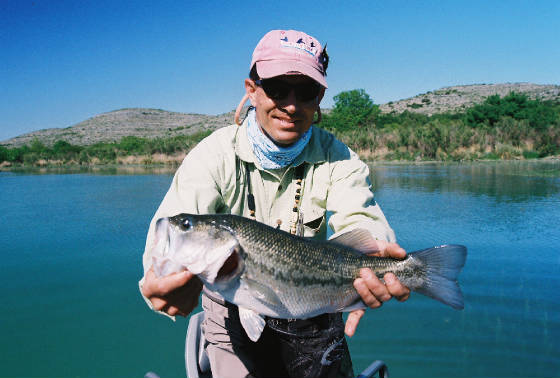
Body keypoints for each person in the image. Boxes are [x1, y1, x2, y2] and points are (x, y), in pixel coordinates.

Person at [139, 29, 410, 378]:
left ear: (320, 97)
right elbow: (161, 256)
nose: (292, 105)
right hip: (230, 312)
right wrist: (161, 284)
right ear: (252, 90)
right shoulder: (212, 156)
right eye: (278, 88)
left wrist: (379, 261)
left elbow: (364, 223)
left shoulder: (340, 159)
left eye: (307, 91)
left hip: (315, 308)